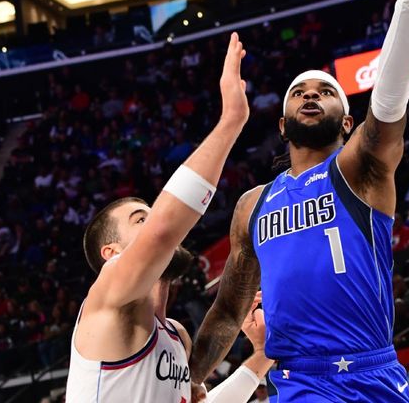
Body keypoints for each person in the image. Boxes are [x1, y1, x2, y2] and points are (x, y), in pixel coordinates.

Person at [189, 0, 409, 401]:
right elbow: (229, 311)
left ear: (349, 122)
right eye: (300, 92)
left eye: (326, 92)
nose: (311, 95)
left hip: (369, 371)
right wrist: (187, 382)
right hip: (296, 380)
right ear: (283, 123)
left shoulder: (360, 170)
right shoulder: (253, 204)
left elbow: (391, 98)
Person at [66, 33, 272, 402]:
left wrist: (262, 357)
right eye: (139, 220)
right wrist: (231, 121)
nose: (155, 225)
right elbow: (164, 229)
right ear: (112, 254)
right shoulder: (107, 298)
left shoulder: (176, 333)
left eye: (149, 216)